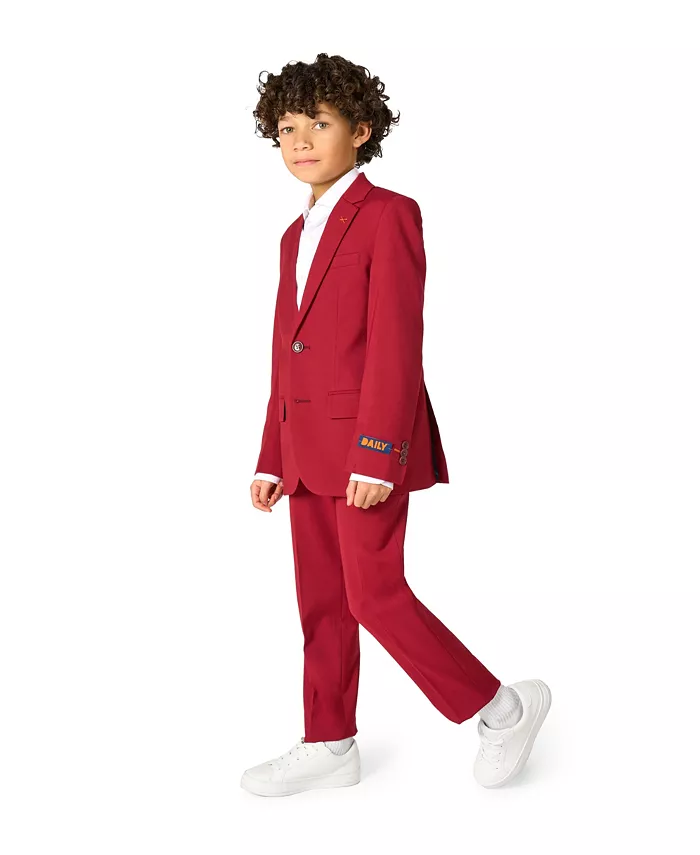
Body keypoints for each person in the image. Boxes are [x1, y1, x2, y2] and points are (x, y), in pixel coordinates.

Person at [242, 53, 551, 797]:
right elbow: (287, 354)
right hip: (306, 450)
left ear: (361, 130)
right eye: (287, 127)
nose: (300, 141)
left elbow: (395, 341)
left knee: (373, 595)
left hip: (363, 448)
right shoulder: (292, 236)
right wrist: (271, 455)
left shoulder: (389, 214)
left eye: (319, 123)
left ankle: (502, 708)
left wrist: (379, 452)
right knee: (321, 601)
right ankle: (329, 741)